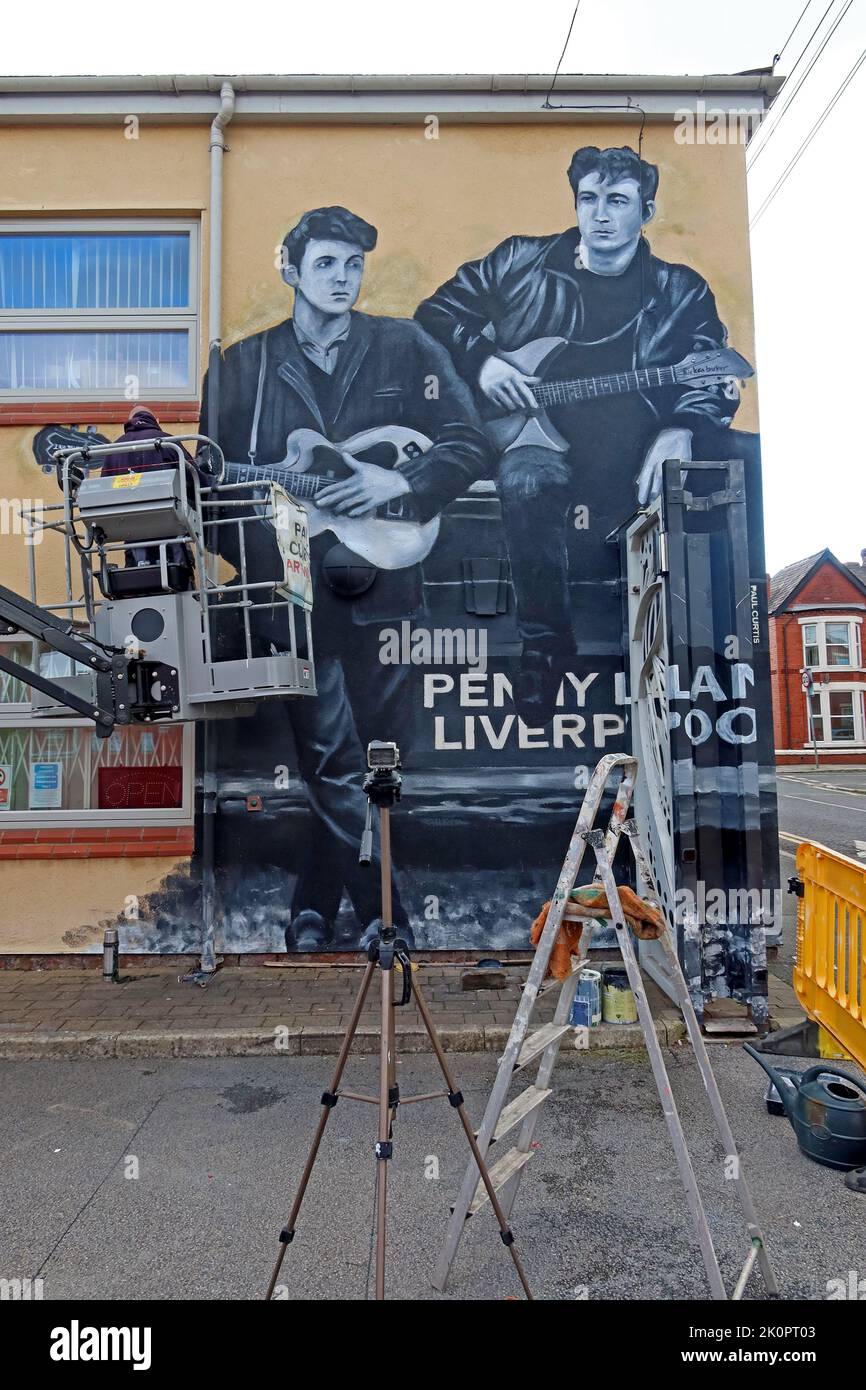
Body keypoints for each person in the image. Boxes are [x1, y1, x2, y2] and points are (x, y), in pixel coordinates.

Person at [200, 205, 492, 951]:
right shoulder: (241, 368)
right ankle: (385, 917)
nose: (342, 278)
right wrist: (271, 515)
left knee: (381, 761)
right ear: (291, 270)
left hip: (389, 586)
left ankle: (312, 902)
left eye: (353, 264)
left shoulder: (406, 344)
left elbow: (471, 441)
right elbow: (210, 499)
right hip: (294, 598)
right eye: (326, 263)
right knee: (332, 759)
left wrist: (395, 489)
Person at [415, 145, 757, 715]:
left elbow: (708, 373)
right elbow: (435, 314)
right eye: (589, 199)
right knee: (525, 481)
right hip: (531, 438)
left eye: (617, 201)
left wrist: (684, 427)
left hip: (633, 443)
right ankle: (545, 649)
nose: (600, 214)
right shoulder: (520, 262)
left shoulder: (680, 290)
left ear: (645, 212)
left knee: (737, 459)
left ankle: (686, 646)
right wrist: (485, 361)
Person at [100, 405, 203, 575]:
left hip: (134, 544)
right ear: (156, 421)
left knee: (140, 586)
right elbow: (197, 481)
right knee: (179, 589)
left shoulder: (114, 450)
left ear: (128, 422)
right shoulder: (167, 442)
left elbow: (104, 495)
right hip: (172, 541)